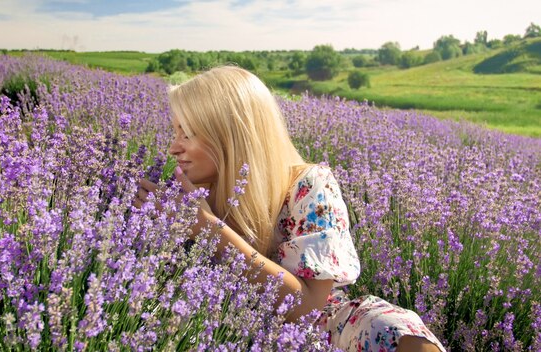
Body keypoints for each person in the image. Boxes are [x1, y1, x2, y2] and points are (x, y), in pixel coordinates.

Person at [135, 65, 445, 352]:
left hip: (315, 328)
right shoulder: (185, 193)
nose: (174, 147)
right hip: (222, 326)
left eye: (187, 133)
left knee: (390, 329)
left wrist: (208, 228)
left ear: (230, 135)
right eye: (175, 132)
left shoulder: (309, 186)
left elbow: (308, 305)